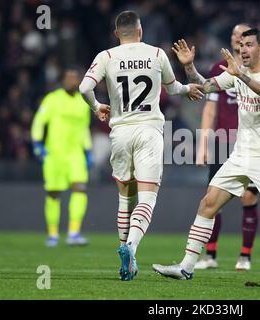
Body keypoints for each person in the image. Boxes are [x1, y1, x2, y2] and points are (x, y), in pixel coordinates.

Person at [153, 29, 260, 285]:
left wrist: (242, 76)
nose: (243, 49)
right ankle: (186, 267)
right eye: (241, 45)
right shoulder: (236, 73)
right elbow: (205, 86)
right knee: (208, 203)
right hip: (240, 154)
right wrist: (189, 67)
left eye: (249, 45)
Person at [78, 10, 204, 281]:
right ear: (140, 31)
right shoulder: (156, 54)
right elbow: (172, 89)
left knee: (126, 198)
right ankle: (131, 247)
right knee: (147, 198)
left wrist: (97, 106)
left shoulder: (106, 56)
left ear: (116, 34)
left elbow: (83, 88)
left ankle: (126, 257)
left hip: (120, 132)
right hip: (148, 130)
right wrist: (187, 88)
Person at [195, 23, 260, 271]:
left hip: (249, 141)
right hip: (223, 141)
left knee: (248, 197)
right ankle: (210, 255)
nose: (237, 38)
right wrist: (203, 143)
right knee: (213, 197)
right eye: (234, 34)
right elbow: (210, 108)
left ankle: (245, 256)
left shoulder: (258, 70)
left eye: (242, 35)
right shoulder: (218, 68)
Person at [31, 67, 93, 247]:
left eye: (75, 78)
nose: (71, 81)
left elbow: (84, 129)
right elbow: (39, 121)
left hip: (75, 154)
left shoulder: (83, 102)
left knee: (80, 189)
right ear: (63, 80)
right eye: (68, 78)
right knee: (53, 194)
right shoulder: (53, 99)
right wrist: (37, 143)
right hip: (54, 154)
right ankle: (53, 235)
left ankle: (74, 233)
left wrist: (88, 151)